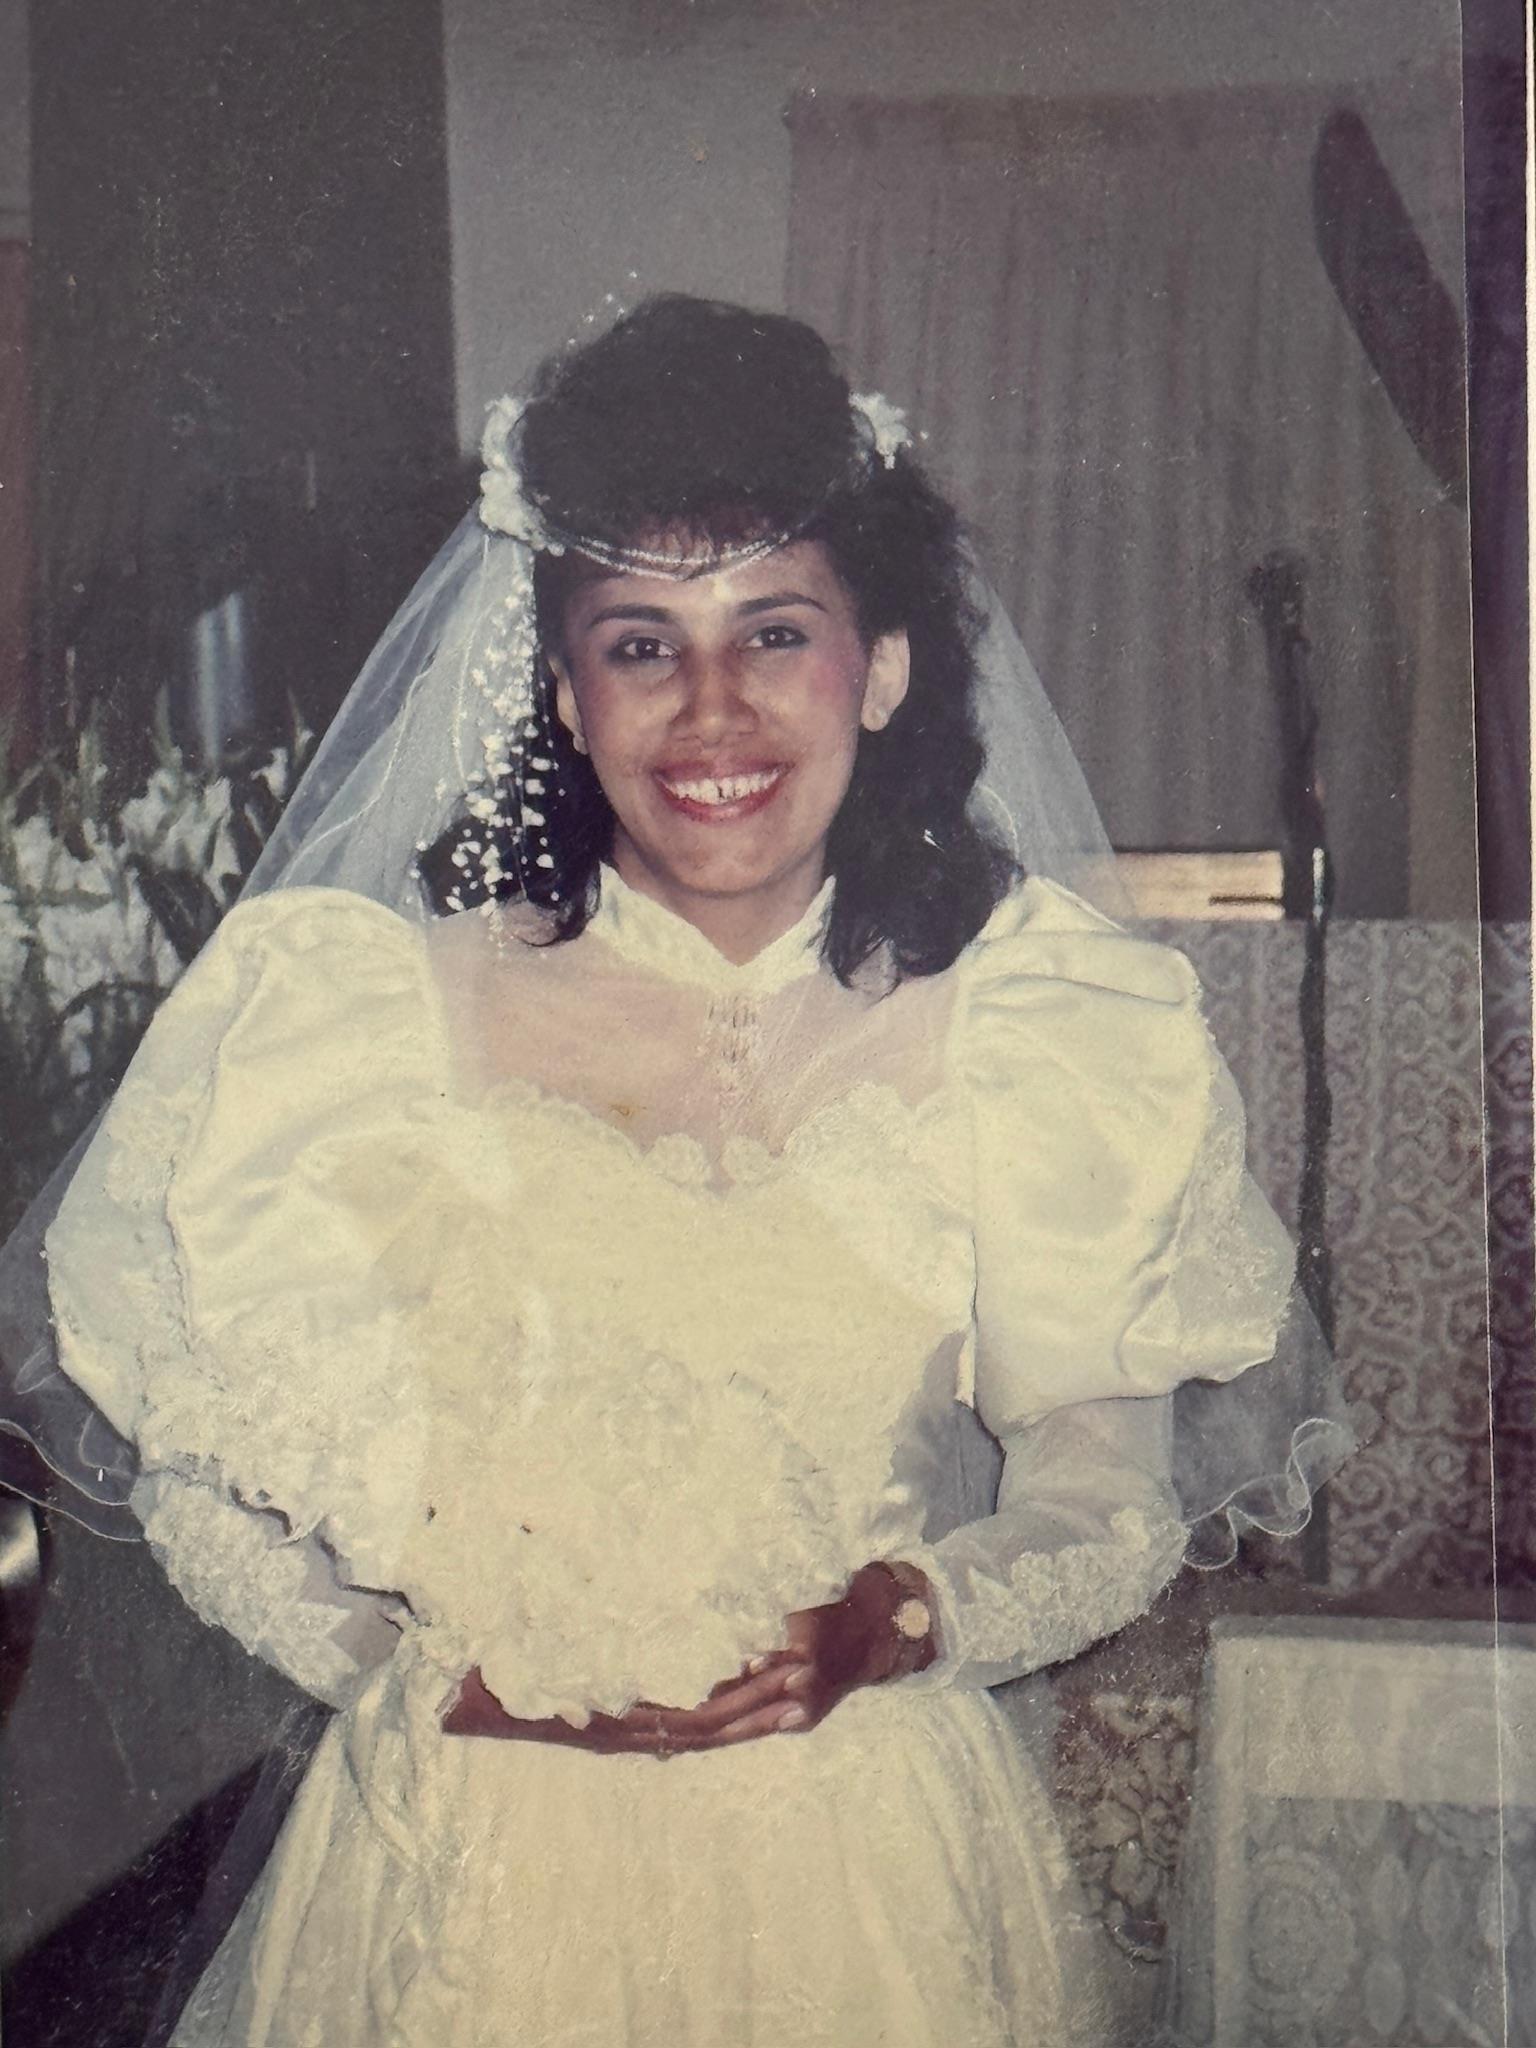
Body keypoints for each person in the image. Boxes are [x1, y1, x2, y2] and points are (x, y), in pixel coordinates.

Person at [34, 295, 1342, 2046]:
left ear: (880, 668)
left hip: (859, 1871)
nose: (712, 711)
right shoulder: (367, 1027)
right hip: (462, 1868)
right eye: (642, 645)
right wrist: (410, 1670)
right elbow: (210, 1489)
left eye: (774, 632)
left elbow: (1104, 1498)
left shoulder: (1030, 1036)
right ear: (566, 695)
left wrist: (903, 1615)